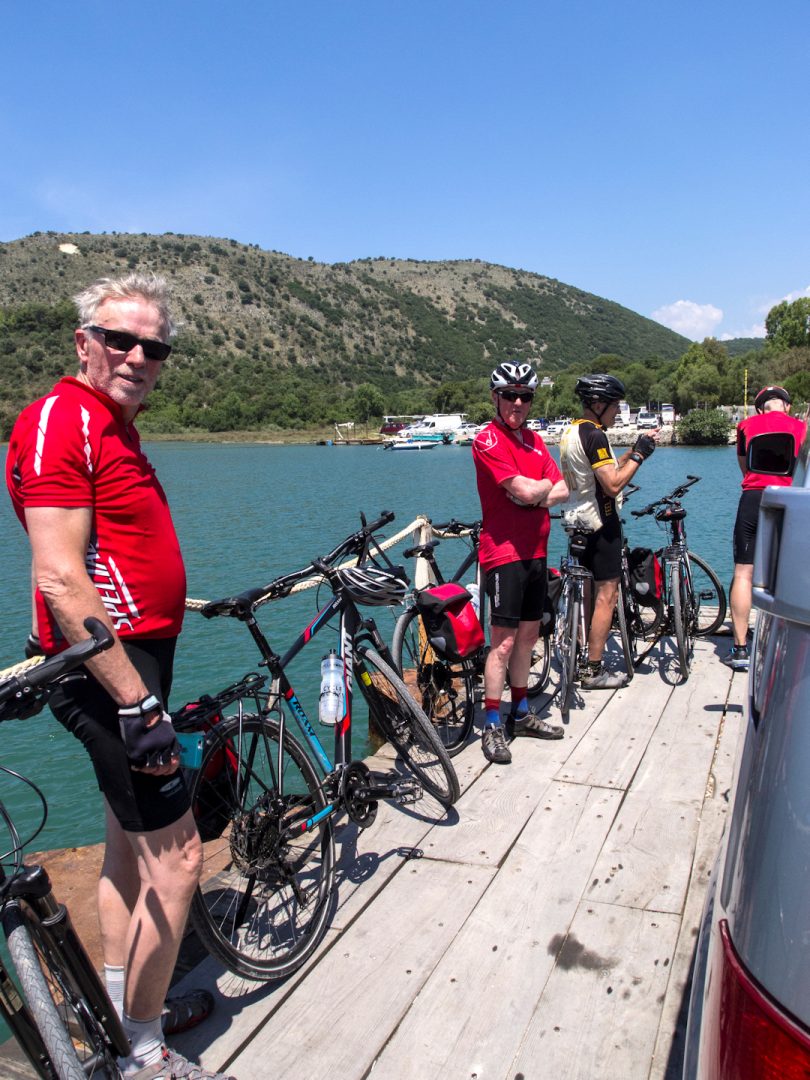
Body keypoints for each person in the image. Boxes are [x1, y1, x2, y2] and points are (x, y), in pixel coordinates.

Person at [6, 274, 236, 1080]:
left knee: (127, 855)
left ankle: (122, 1018)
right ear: (84, 343)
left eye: (154, 346)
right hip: (109, 674)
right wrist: (137, 703)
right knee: (179, 861)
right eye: (120, 339)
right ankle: (142, 1053)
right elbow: (62, 579)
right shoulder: (59, 419)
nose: (138, 356)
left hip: (138, 663)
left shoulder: (115, 426)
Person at [472, 362, 570, 765]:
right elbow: (524, 488)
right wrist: (535, 490)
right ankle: (493, 722)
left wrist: (536, 492)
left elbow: (560, 488)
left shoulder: (534, 441)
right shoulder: (487, 440)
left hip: (536, 552)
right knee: (505, 642)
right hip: (504, 554)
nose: (517, 402)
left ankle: (522, 713)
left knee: (529, 638)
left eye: (524, 396)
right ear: (495, 397)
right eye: (509, 395)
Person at [558, 375, 657, 688]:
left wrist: (628, 452)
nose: (617, 411)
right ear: (598, 404)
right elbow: (612, 484)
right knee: (606, 595)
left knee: (584, 592)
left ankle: (577, 654)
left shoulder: (573, 431)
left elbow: (600, 470)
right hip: (603, 524)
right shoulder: (596, 436)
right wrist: (639, 455)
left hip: (576, 522)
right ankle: (593, 670)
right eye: (614, 405)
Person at [725, 385, 807, 671]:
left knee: (743, 573)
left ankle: (740, 649)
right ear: (787, 405)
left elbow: (744, 466)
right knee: (789, 572)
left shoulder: (745, 425)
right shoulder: (801, 427)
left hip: (753, 498)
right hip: (787, 501)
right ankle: (788, 645)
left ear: (760, 408)